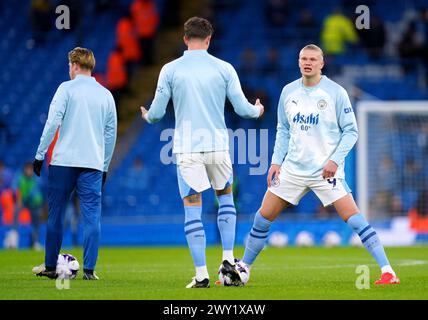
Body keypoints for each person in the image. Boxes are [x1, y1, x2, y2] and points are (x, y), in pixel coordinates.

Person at [238, 44, 400, 286]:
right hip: (292, 169)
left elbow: (351, 132)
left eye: (313, 59)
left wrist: (334, 160)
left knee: (354, 218)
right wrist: (275, 162)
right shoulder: (288, 92)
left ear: (321, 64)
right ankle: (243, 269)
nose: (308, 62)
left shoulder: (336, 92)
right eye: (304, 58)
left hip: (325, 171)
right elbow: (283, 130)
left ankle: (388, 271)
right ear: (298, 61)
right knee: (262, 218)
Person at [140, 17, 264, 288]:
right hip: (218, 146)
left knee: (192, 209)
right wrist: (258, 110)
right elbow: (244, 110)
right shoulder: (224, 68)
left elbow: (158, 113)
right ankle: (229, 261)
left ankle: (201, 275)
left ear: (185, 39)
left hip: (188, 149)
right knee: (226, 199)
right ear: (209, 40)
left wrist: (148, 116)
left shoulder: (170, 70)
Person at [32, 47, 117, 280]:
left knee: (56, 213)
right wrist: (105, 165)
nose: (68, 69)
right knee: (91, 217)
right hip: (92, 164)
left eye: (69, 65)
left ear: (74, 65)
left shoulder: (66, 89)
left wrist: (40, 155)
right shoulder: (105, 94)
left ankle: (51, 266)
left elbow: (52, 124)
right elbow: (110, 135)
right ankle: (89, 270)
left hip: (64, 162)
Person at [12, 162, 44, 250]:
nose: (29, 171)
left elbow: (37, 194)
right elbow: (14, 188)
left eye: (31, 169)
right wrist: (19, 199)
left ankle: (35, 242)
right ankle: (13, 236)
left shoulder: (37, 179)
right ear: (24, 170)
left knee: (36, 223)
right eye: (28, 169)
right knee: (16, 211)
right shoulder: (19, 177)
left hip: (34, 203)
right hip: (23, 201)